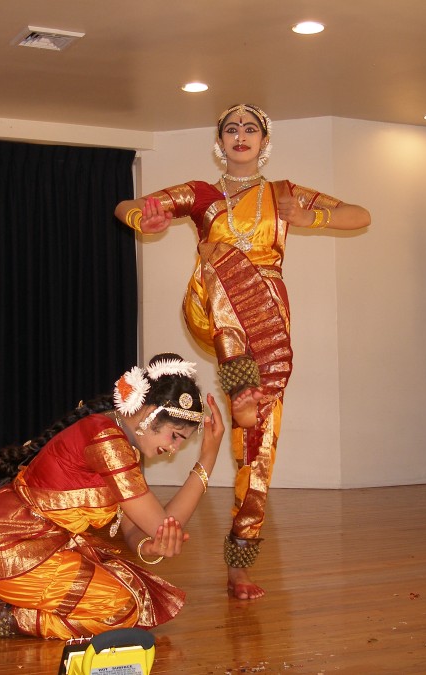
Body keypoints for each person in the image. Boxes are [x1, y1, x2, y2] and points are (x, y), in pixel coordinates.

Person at [114, 104, 371, 601]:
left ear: (264, 141)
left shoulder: (283, 193)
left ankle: (239, 564)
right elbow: (126, 205)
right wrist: (144, 219)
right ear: (220, 142)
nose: (240, 135)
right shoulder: (201, 194)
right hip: (211, 304)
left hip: (268, 318)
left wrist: (311, 215)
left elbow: (360, 214)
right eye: (231, 129)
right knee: (219, 258)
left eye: (250, 129)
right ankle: (239, 384)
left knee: (260, 445)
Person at [0, 354, 224, 639]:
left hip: (17, 541)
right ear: (149, 413)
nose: (173, 449)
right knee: (122, 609)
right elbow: (162, 523)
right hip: (7, 546)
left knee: (138, 591)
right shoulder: (108, 440)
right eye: (175, 436)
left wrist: (150, 546)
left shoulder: (115, 439)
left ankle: (1, 592)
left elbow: (136, 529)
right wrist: (208, 459)